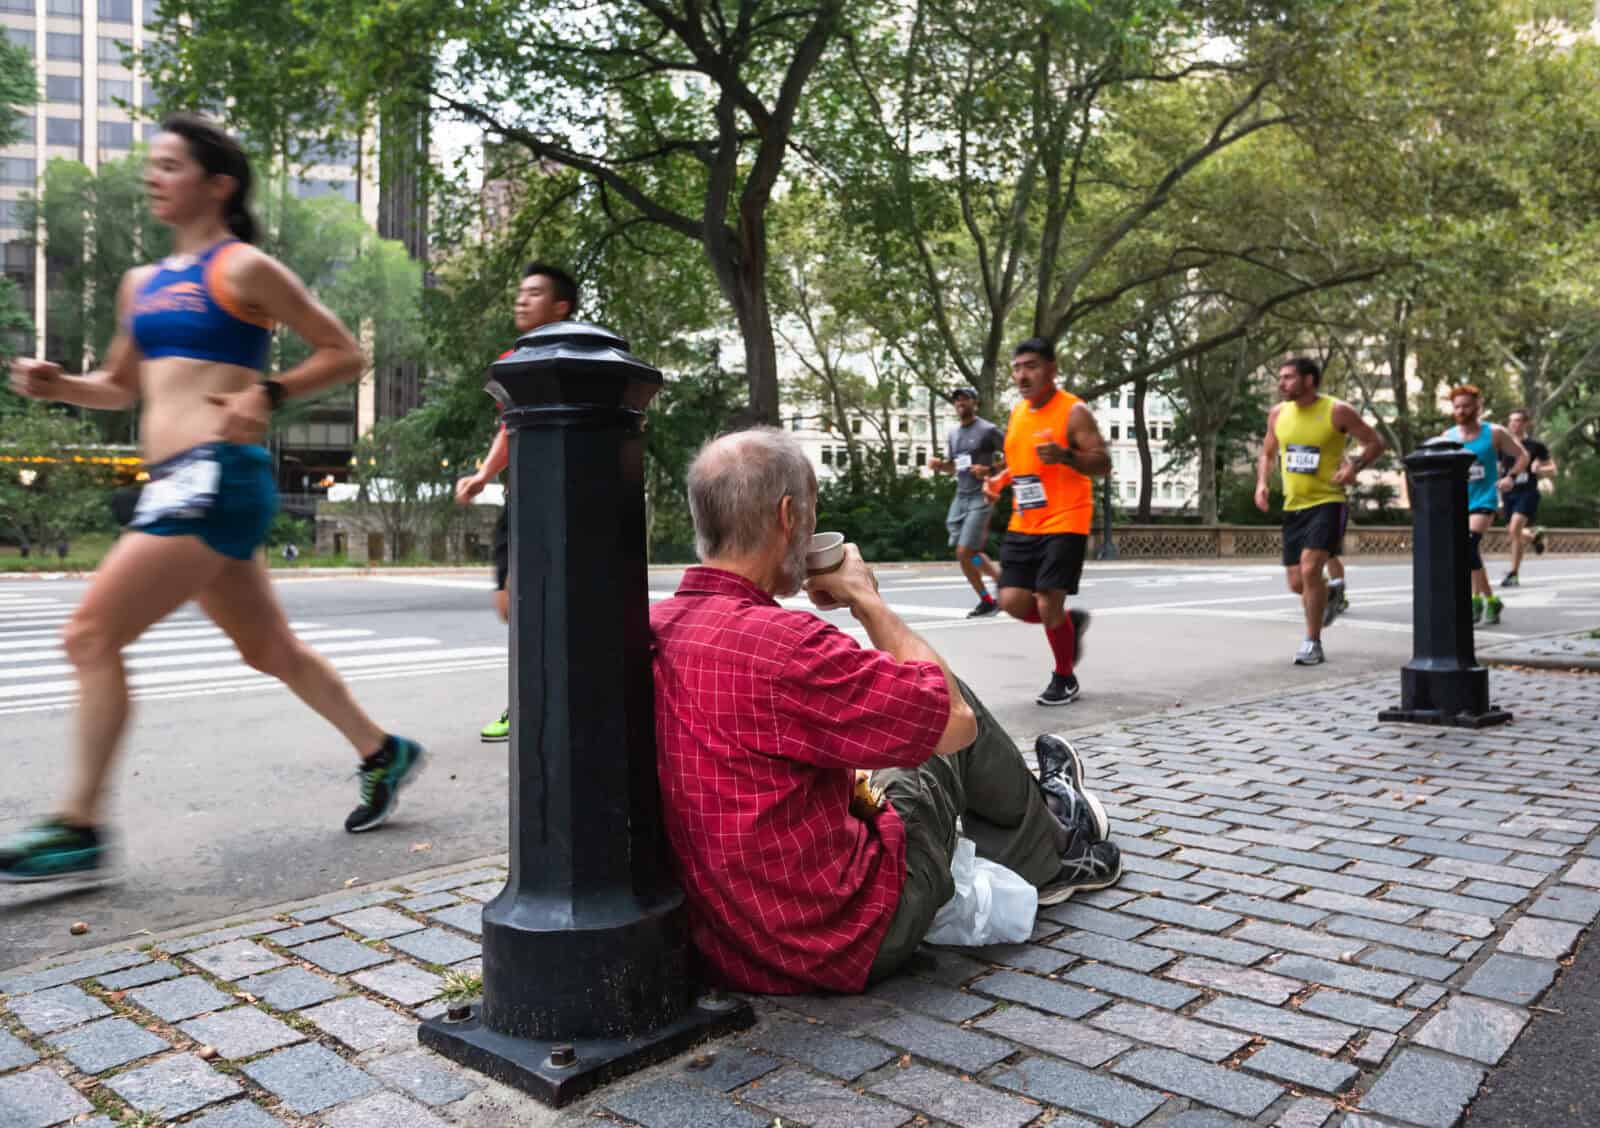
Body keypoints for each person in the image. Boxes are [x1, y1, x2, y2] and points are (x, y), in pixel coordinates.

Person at [1, 114, 424, 883]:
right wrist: (60, 384)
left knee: (89, 636)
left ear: (217, 183)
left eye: (169, 166)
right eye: (152, 166)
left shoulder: (243, 270)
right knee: (266, 649)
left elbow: (345, 351)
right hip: (173, 484)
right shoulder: (142, 284)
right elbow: (120, 387)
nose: (152, 177)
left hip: (219, 478)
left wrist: (268, 391)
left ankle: (80, 825)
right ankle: (382, 750)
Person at [650, 426, 1120, 994]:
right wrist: (867, 601)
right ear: (787, 517)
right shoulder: (790, 646)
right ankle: (1055, 849)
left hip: (731, 941)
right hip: (844, 935)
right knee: (941, 702)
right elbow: (951, 720)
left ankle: (1046, 813)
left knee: (894, 733)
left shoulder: (658, 628)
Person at [453, 263, 578, 742]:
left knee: (537, 601)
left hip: (562, 501)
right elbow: (511, 425)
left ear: (560, 306)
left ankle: (531, 702)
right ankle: (538, 695)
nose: (522, 300)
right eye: (520, 292)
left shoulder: (570, 358)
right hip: (521, 499)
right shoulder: (516, 360)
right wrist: (485, 474)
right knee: (512, 602)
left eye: (534, 294)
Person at [982, 338, 1108, 706]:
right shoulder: (1018, 413)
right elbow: (1022, 464)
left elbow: (1102, 462)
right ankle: (1070, 628)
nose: (1023, 375)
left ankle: (1064, 677)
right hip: (1025, 521)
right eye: (1018, 367)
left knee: (1048, 602)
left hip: (1067, 518)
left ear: (1052, 369)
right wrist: (998, 482)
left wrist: (1067, 456)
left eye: (1032, 366)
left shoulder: (1073, 412)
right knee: (1011, 601)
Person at [1255, 357, 1386, 666]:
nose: (1281, 383)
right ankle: (1331, 594)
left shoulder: (1336, 411)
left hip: (1328, 501)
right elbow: (1268, 452)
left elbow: (1374, 443)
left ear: (1309, 380)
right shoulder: (1278, 414)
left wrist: (1354, 466)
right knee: (1296, 583)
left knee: (1311, 568)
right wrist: (1262, 482)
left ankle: (1312, 642)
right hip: (1293, 505)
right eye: (1280, 377)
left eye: (1288, 377)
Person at [1441, 385, 1527, 626]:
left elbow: (1522, 456)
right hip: (1458, 500)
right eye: (1457, 406)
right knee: (1469, 551)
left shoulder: (1495, 433)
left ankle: (1475, 599)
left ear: (1478, 407)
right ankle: (1490, 599)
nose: (1461, 410)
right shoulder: (1448, 436)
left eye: (1466, 406)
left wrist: (1510, 477)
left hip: (1485, 498)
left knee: (1468, 542)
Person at [928, 385, 1004, 617]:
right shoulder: (953, 434)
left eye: (965, 398)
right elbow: (954, 467)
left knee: (964, 552)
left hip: (981, 494)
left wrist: (989, 469)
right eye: (957, 399)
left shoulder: (988, 430)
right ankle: (1001, 585)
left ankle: (992, 597)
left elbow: (1015, 456)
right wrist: (941, 466)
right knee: (970, 554)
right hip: (960, 497)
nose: (960, 402)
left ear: (975, 403)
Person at [1498, 408, 1556, 587]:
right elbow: (1499, 470)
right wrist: (1498, 493)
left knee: (1514, 528)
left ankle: (1513, 574)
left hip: (1528, 492)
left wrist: (1540, 469)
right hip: (1509, 494)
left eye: (1517, 420)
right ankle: (1534, 537)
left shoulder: (1536, 446)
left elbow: (1553, 470)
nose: (1512, 424)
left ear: (1525, 423)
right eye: (1510, 421)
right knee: (1513, 531)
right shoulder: (1503, 447)